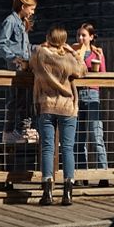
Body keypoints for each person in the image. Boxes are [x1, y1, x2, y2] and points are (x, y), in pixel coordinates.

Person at [30, 25, 87, 206]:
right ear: (64, 40)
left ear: (48, 37)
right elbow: (83, 70)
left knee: (47, 148)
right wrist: (73, 51)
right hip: (67, 107)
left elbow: (30, 63)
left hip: (47, 105)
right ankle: (67, 192)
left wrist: (43, 45)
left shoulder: (40, 54)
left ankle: (47, 191)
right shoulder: (69, 58)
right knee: (68, 148)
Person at [0, 0, 39, 144]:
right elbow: (1, 44)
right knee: (15, 99)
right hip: (16, 68)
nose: (32, 12)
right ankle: (9, 132)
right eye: (31, 9)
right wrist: (13, 58)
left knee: (25, 99)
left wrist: (40, 48)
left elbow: (26, 47)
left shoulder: (22, 23)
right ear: (23, 6)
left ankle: (23, 129)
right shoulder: (10, 21)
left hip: (26, 68)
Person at [73, 23, 110, 187]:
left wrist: (94, 69)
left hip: (92, 94)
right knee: (78, 138)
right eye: (79, 35)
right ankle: (82, 175)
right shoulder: (73, 51)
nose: (80, 38)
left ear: (91, 37)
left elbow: (103, 75)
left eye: (84, 35)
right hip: (76, 94)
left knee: (96, 136)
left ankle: (103, 175)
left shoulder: (97, 53)